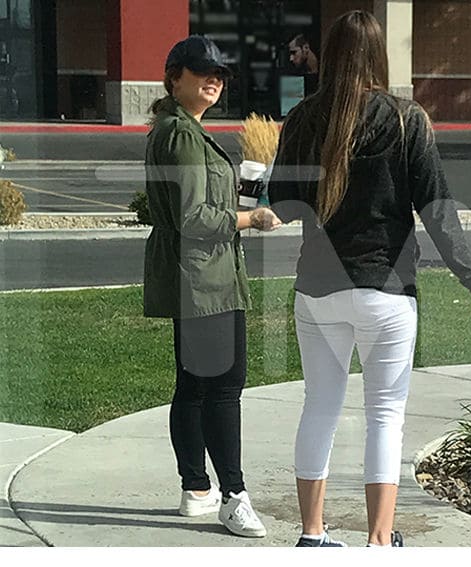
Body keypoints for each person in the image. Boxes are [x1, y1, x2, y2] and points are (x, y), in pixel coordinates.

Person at [268, 11, 471, 547]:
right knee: (384, 416)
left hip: (317, 291)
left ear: (329, 56)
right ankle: (379, 541)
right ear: (380, 57)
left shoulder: (302, 117)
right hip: (387, 292)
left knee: (319, 407)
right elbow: (438, 211)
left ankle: (311, 534)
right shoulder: (405, 120)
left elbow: (282, 202)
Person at [143, 34, 281, 538]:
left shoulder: (182, 130)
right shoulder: (181, 135)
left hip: (199, 276)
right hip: (204, 279)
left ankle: (197, 488)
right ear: (174, 77)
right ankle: (233, 496)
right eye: (202, 71)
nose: (214, 80)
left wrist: (242, 192)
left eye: (219, 73)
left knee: (196, 386)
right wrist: (252, 218)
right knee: (223, 386)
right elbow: (194, 217)